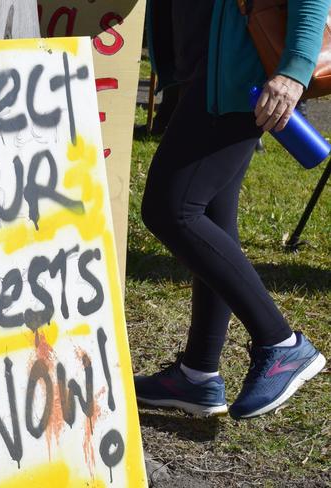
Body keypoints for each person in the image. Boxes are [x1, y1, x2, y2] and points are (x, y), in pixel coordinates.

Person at [135, 0, 329, 419]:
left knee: (171, 210)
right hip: (203, 69)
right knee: (212, 220)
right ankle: (197, 374)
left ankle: (281, 345)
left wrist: (293, 71)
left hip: (239, 77)